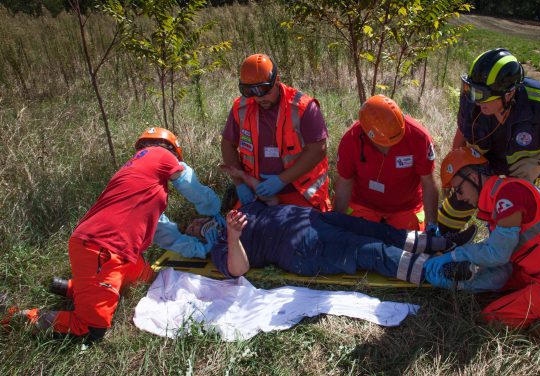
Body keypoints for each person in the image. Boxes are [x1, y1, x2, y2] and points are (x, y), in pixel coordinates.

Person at [3, 128, 223, 342]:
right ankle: (16, 317)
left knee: (151, 282)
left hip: (121, 254)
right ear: (172, 152)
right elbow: (190, 186)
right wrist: (215, 209)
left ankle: (67, 287)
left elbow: (162, 231)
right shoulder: (160, 155)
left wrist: (200, 249)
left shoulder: (140, 180)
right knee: (90, 329)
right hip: (102, 250)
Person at [425, 147, 540, 328]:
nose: (459, 198)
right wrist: (460, 284)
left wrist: (455, 255)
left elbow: (497, 254)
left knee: (491, 319)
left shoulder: (508, 198)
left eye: (458, 190)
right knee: (496, 284)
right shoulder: (499, 198)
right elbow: (503, 265)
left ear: (473, 178)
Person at [438, 48, 540, 234]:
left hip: (528, 173)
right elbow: (462, 134)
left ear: (508, 94)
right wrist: (453, 175)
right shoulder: (471, 98)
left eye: (482, 95)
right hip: (485, 165)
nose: (475, 100)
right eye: (471, 91)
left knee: (520, 229)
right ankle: (441, 242)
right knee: (455, 207)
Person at [181, 201, 477, 285]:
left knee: (372, 230)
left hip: (312, 219)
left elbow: (269, 202)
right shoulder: (220, 245)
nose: (196, 224)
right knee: (368, 250)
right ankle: (435, 271)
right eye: (193, 229)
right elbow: (238, 270)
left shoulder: (236, 210)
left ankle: (434, 243)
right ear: (198, 239)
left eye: (193, 220)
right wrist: (232, 237)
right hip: (299, 247)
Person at [221, 53, 331, 211]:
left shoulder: (302, 107)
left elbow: (318, 150)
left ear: (277, 80)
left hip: (300, 193)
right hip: (256, 192)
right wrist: (240, 184)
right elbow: (227, 145)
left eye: (264, 90)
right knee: (238, 230)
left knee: (298, 233)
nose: (259, 98)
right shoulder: (241, 108)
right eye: (251, 92)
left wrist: (282, 180)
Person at [334, 95, 440, 233]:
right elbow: (344, 183)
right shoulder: (351, 140)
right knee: (356, 242)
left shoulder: (419, 137)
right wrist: (336, 221)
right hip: (364, 204)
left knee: (409, 248)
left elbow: (429, 183)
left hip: (406, 207)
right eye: (385, 143)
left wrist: (432, 224)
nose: (390, 147)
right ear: (367, 133)